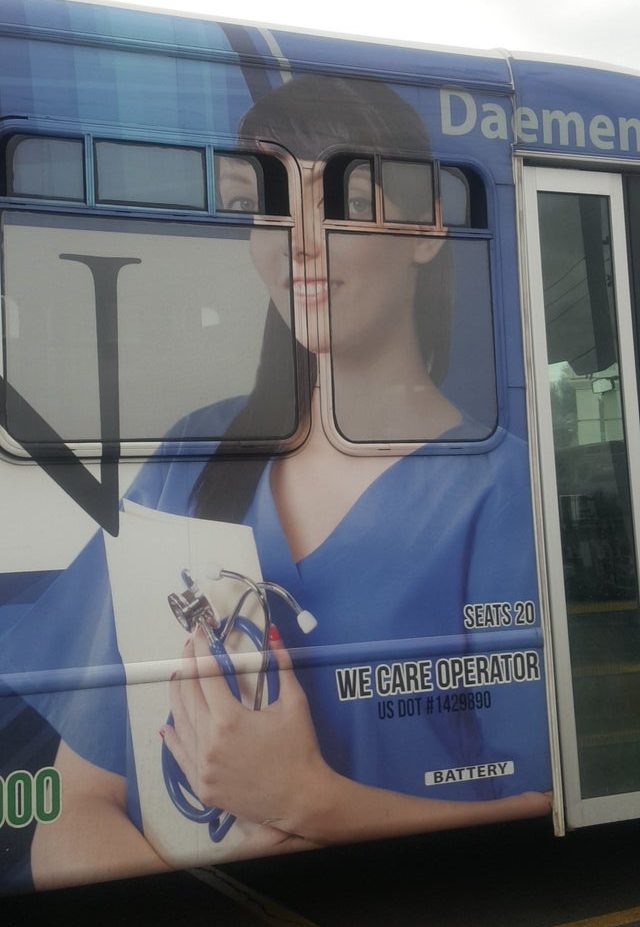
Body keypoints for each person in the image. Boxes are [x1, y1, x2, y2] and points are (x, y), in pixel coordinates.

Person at [3, 74, 551, 890]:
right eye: (260, 203)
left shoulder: (503, 492)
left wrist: (308, 800)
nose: (295, 239)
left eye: (342, 198)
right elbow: (69, 821)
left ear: (428, 226)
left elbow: (550, 822)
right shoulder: (194, 456)